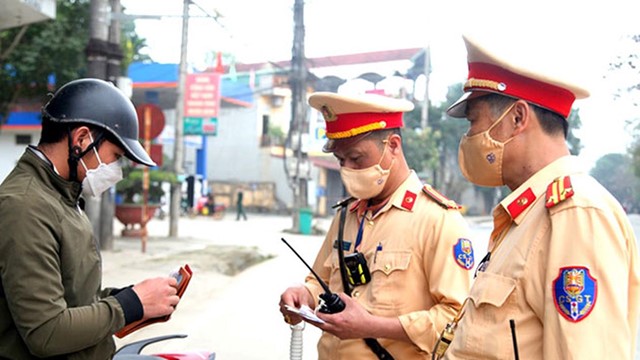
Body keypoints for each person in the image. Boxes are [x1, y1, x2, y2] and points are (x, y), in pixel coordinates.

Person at [438, 35, 640, 359]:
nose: (469, 137)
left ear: (517, 118)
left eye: (474, 122)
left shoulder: (575, 214)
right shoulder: (527, 215)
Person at [279, 92, 474, 359]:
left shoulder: (438, 220)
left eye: (357, 159)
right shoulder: (347, 214)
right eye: (341, 161)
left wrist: (372, 326)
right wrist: (303, 295)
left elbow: (457, 318)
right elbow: (321, 280)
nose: (348, 169)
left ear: (392, 145)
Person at [0, 78, 181, 359]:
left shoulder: (62, 196)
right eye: (115, 156)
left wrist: (131, 297)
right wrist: (129, 305)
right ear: (82, 139)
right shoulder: (24, 207)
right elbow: (46, 332)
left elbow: (73, 298)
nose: (115, 170)